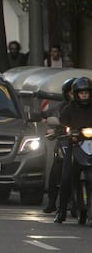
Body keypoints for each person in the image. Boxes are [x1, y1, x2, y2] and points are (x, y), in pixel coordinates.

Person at [54, 77, 92, 223]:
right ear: (76, 94)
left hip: (90, 146)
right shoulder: (69, 108)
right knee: (67, 176)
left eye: (86, 93)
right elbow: (62, 123)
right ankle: (61, 211)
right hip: (75, 145)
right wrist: (64, 130)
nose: (84, 95)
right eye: (81, 93)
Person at [41, 77, 76, 214]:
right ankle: (52, 201)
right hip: (65, 142)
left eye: (79, 92)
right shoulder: (61, 108)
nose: (76, 96)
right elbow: (51, 116)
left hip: (84, 144)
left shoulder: (88, 107)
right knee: (56, 168)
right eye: (73, 93)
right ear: (67, 94)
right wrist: (53, 129)